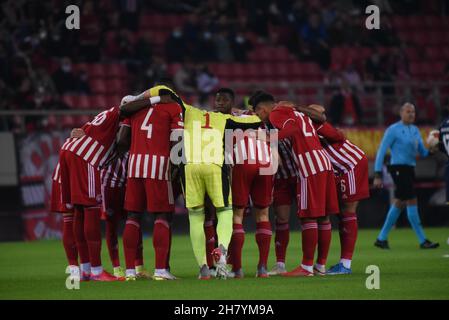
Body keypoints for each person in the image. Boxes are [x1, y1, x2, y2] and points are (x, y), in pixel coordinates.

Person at [57, 91, 174, 281]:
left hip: (70, 151)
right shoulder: (117, 114)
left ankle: (85, 269)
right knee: (90, 210)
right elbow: (125, 111)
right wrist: (156, 99)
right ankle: (96, 271)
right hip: (84, 158)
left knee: (78, 212)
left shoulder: (107, 124)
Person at [252, 92, 339, 276]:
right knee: (323, 217)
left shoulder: (276, 113)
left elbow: (292, 130)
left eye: (257, 112)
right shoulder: (296, 112)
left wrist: (268, 139)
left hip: (308, 165)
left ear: (263, 109)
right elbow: (316, 115)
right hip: (323, 162)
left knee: (309, 217)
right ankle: (320, 266)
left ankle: (306, 267)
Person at [116, 85, 183, 281]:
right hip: (159, 166)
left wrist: (138, 144)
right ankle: (161, 271)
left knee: (133, 216)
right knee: (162, 215)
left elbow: (121, 140)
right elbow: (177, 141)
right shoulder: (173, 108)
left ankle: (130, 271)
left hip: (135, 165)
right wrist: (176, 168)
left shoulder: (135, 108)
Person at [373, 103, 439, 249]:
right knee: (408, 200)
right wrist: (377, 174)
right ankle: (422, 240)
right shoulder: (393, 130)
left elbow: (422, 152)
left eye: (413, 112)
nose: (411, 114)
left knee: (404, 201)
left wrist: (433, 149)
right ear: (401, 113)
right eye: (408, 111)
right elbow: (381, 151)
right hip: (397, 168)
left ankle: (382, 238)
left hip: (409, 169)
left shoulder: (415, 130)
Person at [314, 121, 370, 275]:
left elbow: (337, 133)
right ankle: (342, 263)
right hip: (338, 171)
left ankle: (345, 265)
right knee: (341, 214)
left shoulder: (319, 125)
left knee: (348, 211)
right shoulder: (305, 128)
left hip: (351, 165)